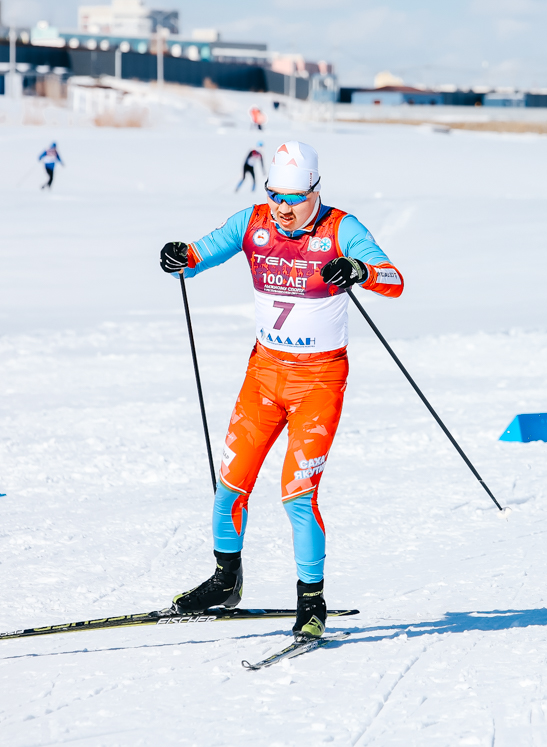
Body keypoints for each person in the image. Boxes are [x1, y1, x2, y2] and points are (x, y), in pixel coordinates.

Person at [158, 141, 405, 641]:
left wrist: (359, 270)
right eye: (276, 196)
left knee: (296, 494)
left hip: (319, 380)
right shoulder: (253, 223)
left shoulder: (341, 228)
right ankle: (225, 583)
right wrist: (177, 256)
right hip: (264, 376)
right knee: (230, 483)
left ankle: (312, 601)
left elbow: (394, 280)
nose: (284, 208)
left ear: (316, 190)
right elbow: (197, 256)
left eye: (294, 198)